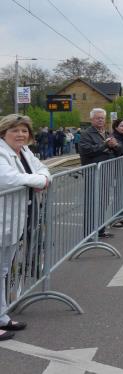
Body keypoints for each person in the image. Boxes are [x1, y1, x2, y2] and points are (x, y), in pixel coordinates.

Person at [0, 114, 51, 342]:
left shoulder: (25, 152)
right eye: (15, 130)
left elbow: (44, 169)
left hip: (13, 221)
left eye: (24, 131)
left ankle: (2, 316)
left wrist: (41, 177)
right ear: (4, 133)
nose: (20, 134)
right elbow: (7, 179)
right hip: (3, 218)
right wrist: (38, 180)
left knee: (3, 270)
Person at [78, 108, 118, 239]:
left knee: (103, 201)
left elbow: (114, 151)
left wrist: (114, 146)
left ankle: (100, 230)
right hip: (93, 172)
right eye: (97, 118)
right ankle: (89, 233)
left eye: (102, 118)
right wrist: (105, 145)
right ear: (92, 119)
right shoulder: (86, 134)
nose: (100, 120)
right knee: (92, 202)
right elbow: (87, 151)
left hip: (106, 171)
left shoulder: (106, 133)